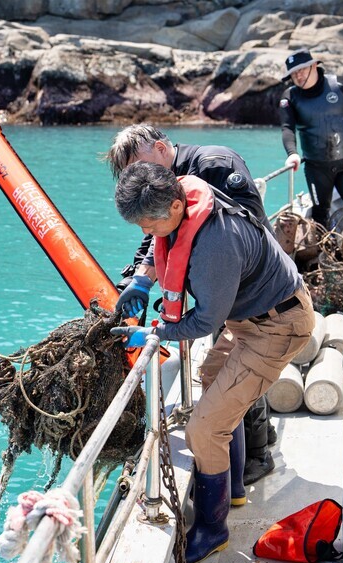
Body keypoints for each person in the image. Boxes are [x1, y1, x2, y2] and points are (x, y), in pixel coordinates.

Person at [110, 162, 315, 563]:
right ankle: (233, 487)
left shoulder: (216, 245)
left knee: (203, 430)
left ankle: (213, 528)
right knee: (210, 379)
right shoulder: (183, 196)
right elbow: (160, 241)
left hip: (277, 326)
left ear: (174, 207)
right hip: (250, 318)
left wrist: (153, 333)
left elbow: (204, 322)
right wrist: (143, 279)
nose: (146, 232)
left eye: (149, 223)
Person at [105, 123, 279, 495]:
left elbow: (245, 222)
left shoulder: (215, 164)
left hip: (247, 284)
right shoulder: (161, 187)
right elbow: (158, 237)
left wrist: (206, 282)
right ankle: (258, 437)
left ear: (160, 147)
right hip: (219, 288)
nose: (139, 175)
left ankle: (258, 453)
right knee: (230, 370)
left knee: (237, 369)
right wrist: (140, 279)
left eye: (139, 164)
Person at [278, 49, 343, 230]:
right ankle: (324, 243)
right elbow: (287, 128)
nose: (298, 76)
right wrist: (292, 154)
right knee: (320, 213)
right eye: (293, 73)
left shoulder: (341, 85)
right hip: (316, 167)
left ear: (314, 65)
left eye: (301, 69)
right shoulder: (290, 97)